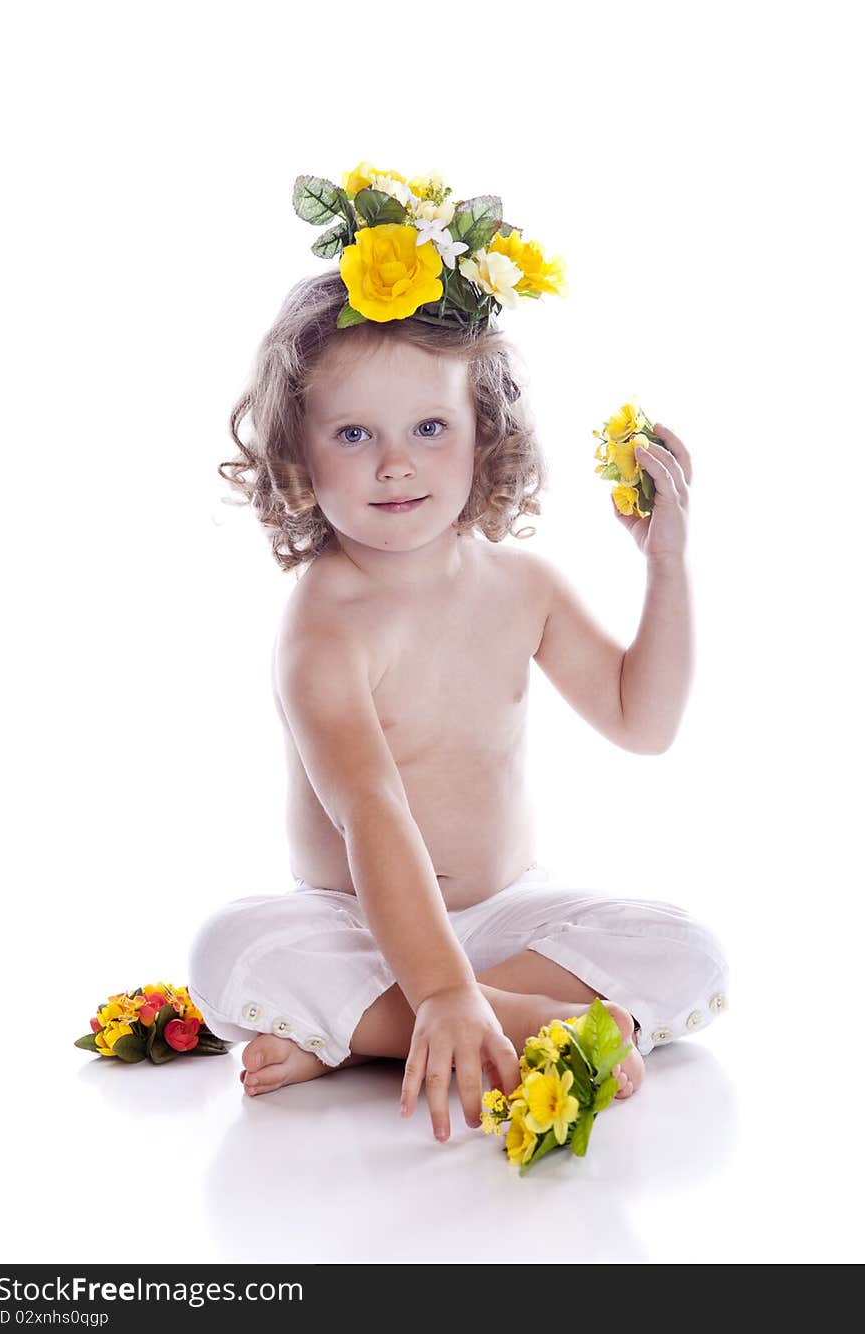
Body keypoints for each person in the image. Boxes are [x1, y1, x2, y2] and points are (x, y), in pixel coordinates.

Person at [186, 166, 729, 1145]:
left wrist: (667, 566)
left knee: (688, 949)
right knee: (230, 949)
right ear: (300, 459)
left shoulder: (522, 587)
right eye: (354, 433)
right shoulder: (324, 626)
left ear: (486, 434)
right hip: (355, 921)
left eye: (429, 427)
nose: (395, 462)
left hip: (507, 912)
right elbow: (371, 809)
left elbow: (641, 723)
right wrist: (431, 981)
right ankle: (475, 1019)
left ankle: (373, 1032)